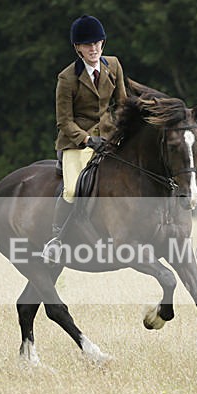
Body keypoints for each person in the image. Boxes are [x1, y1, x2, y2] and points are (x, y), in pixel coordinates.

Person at [41, 14, 128, 263]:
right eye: (88, 44)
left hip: (109, 137)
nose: (94, 48)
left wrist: (124, 129)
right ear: (78, 48)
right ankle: (56, 239)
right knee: (71, 189)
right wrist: (88, 140)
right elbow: (64, 121)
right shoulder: (66, 78)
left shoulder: (114, 66)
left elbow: (121, 104)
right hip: (76, 142)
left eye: (97, 43)